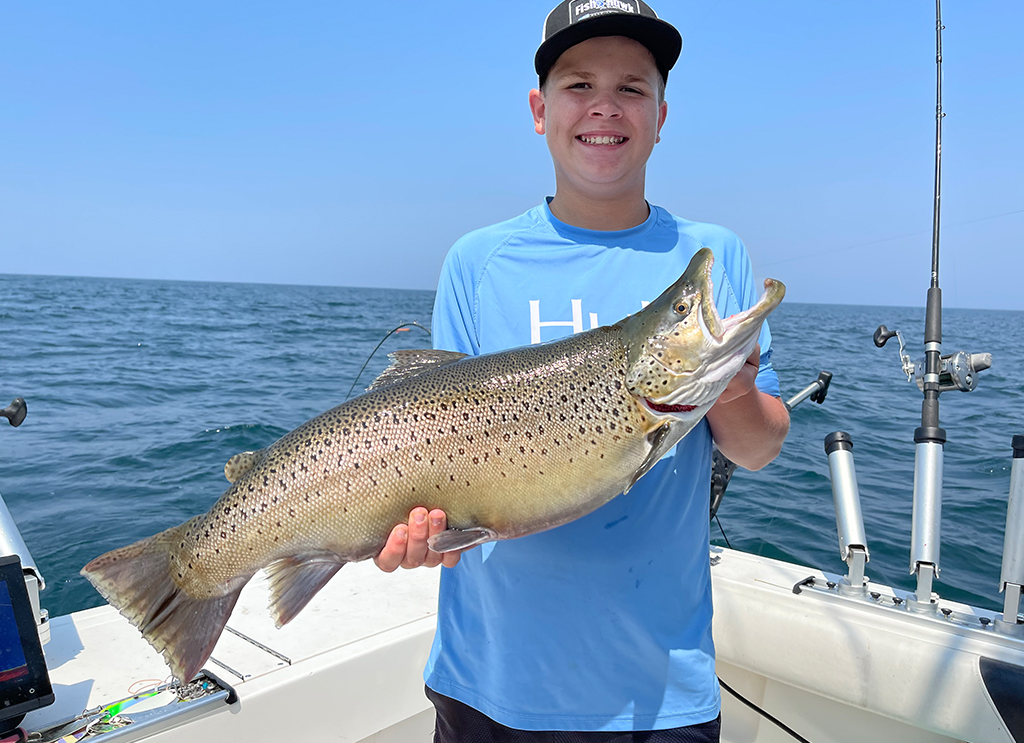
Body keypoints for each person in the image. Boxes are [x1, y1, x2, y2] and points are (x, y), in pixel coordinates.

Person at [374, 1, 790, 740]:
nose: (605, 106)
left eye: (633, 88)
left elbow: (757, 447)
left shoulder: (713, 254)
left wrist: (729, 385)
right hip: (488, 680)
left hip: (662, 692)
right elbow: (440, 438)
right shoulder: (477, 260)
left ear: (663, 114)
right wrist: (418, 527)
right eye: (578, 86)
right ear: (540, 110)